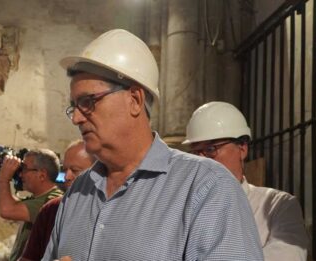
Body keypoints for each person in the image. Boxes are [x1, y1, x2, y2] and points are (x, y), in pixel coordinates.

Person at [43, 29, 263, 260]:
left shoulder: (207, 188)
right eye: (74, 106)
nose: (77, 118)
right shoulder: (77, 192)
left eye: (88, 102)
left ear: (135, 100)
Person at [183, 101, 310, 261]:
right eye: (195, 152)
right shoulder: (185, 209)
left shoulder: (278, 206)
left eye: (210, 149)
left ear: (242, 148)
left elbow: (289, 256)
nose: (201, 161)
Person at [20, 140, 94, 261]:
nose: (67, 177)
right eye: (65, 170)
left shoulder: (111, 214)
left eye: (75, 170)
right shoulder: (51, 209)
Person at [0, 149, 63, 261]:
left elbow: (6, 210)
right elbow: (9, 203)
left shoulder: (50, 201)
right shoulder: (39, 197)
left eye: (25, 169)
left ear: (42, 175)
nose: (21, 174)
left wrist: (4, 178)